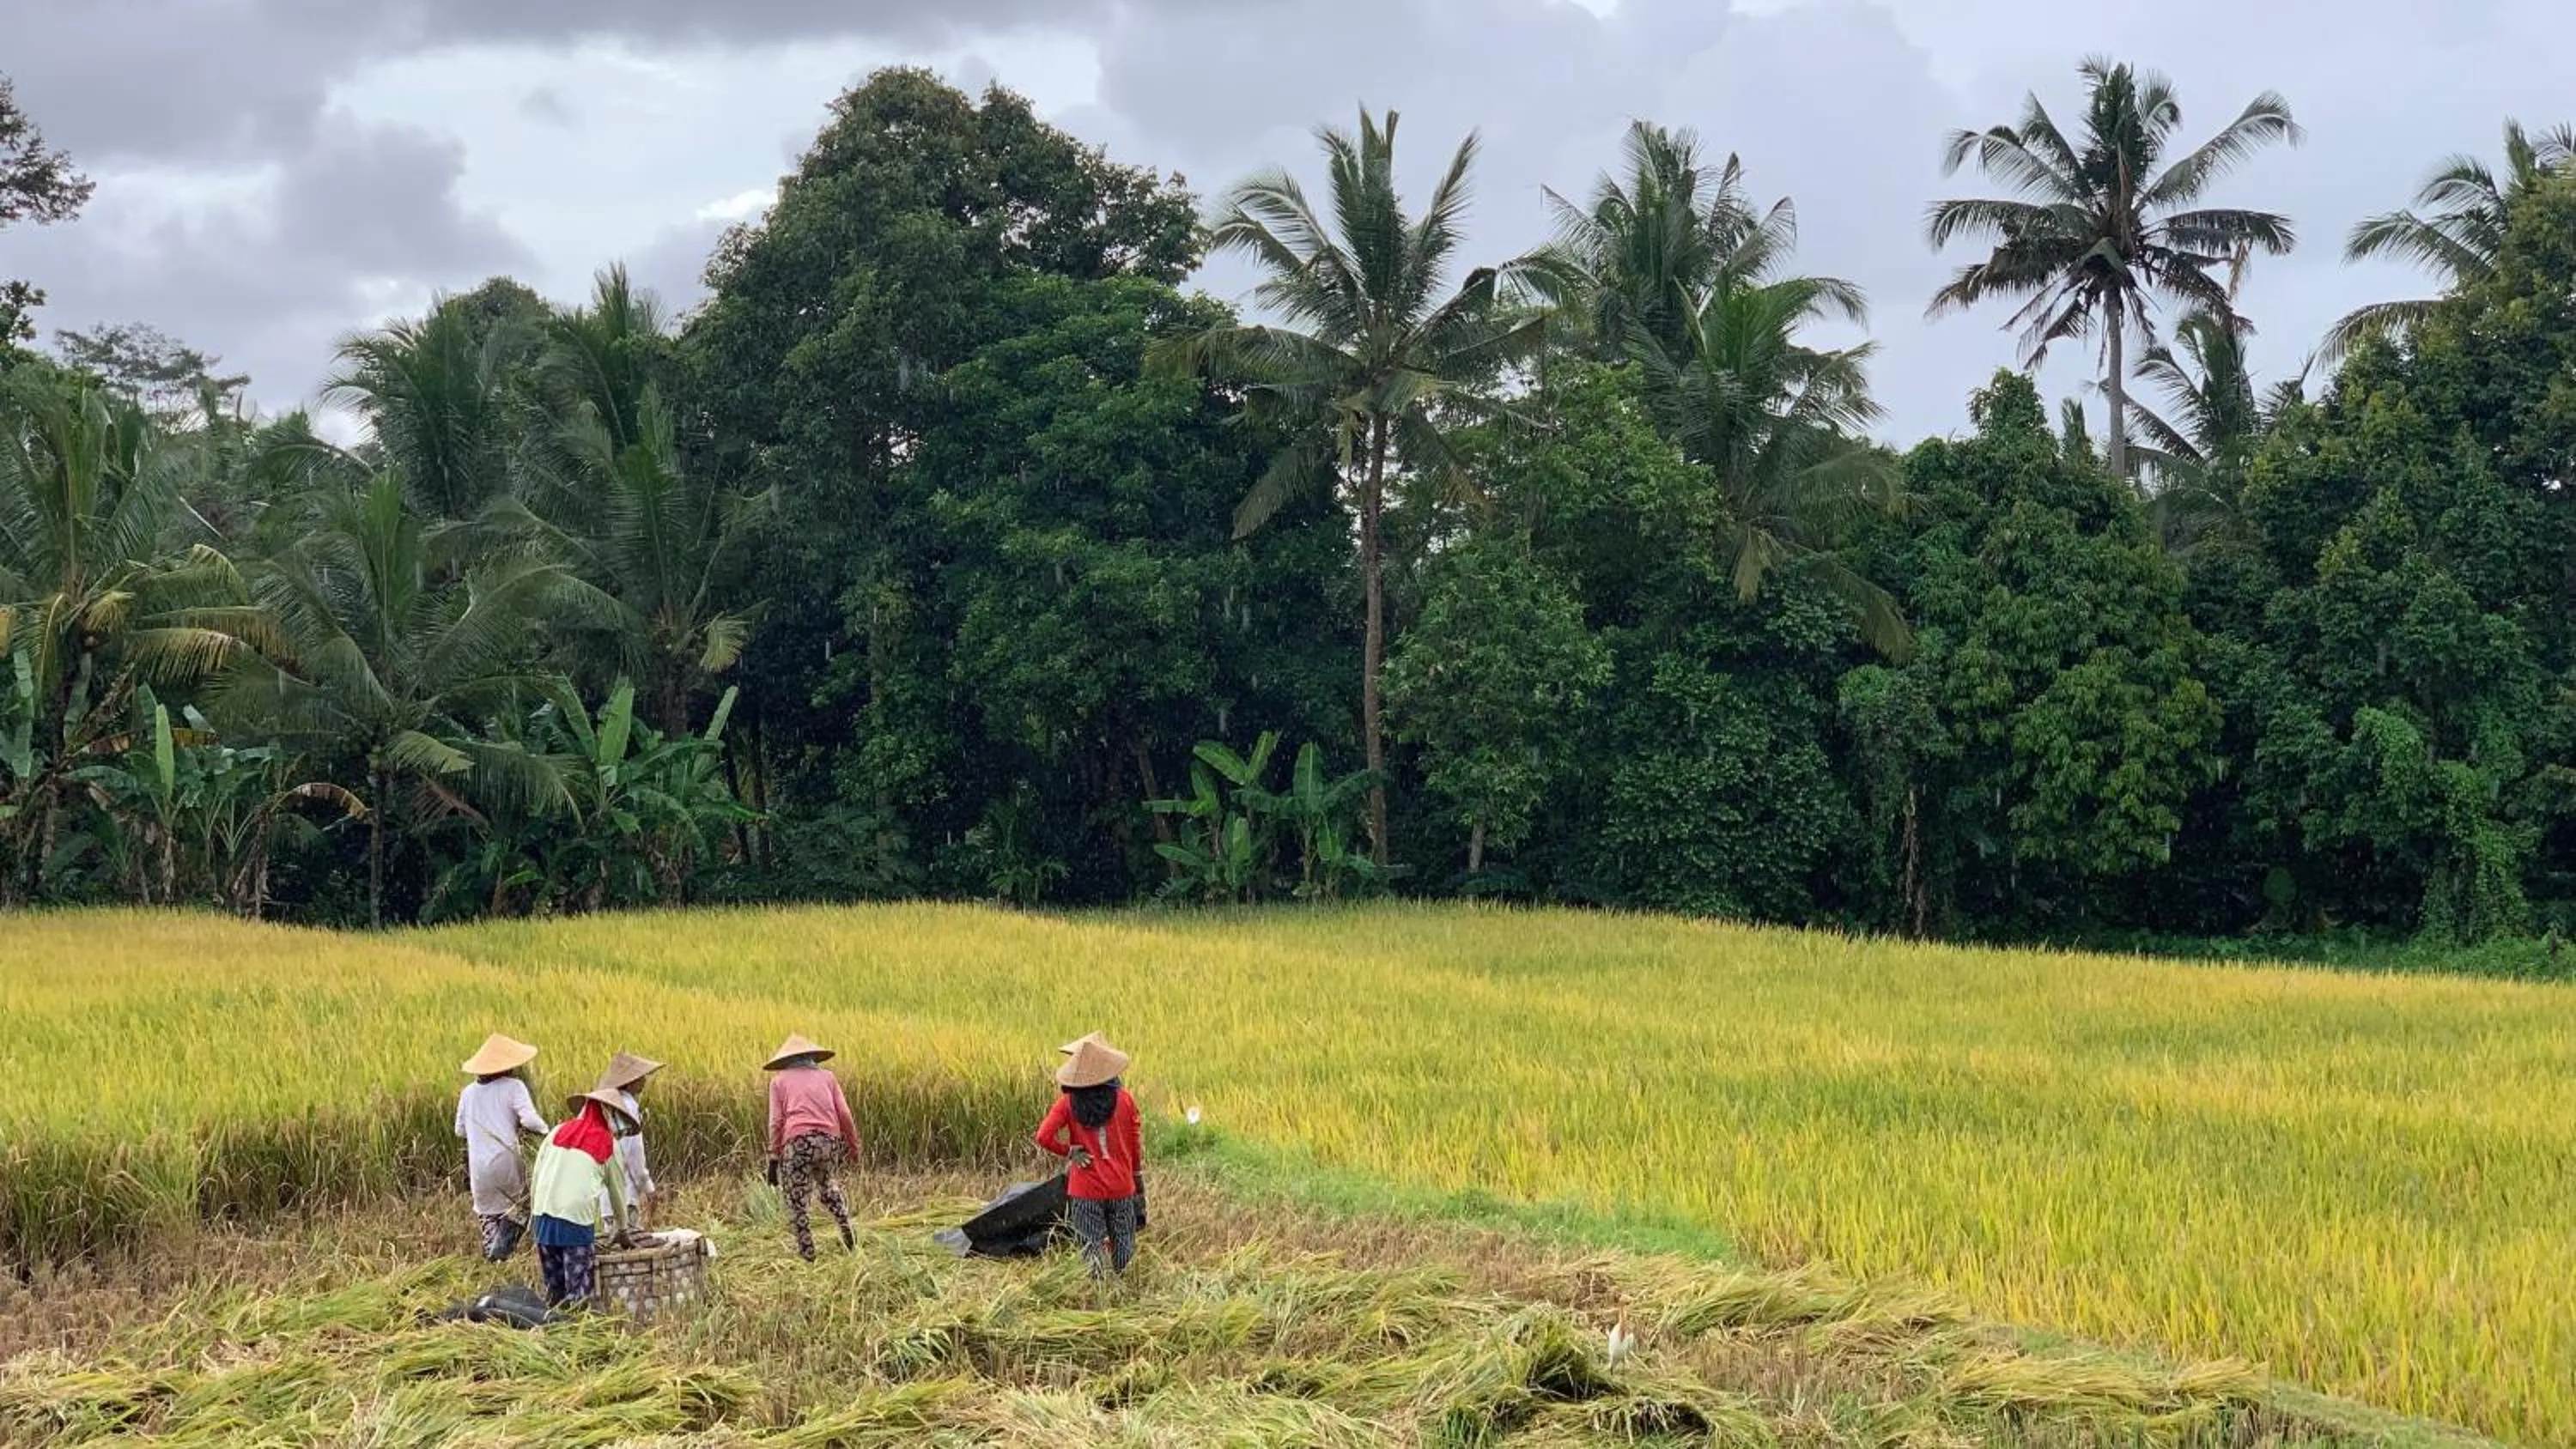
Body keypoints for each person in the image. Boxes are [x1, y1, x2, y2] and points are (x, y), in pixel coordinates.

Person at [1035, 1035, 1144, 1279]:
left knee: (1091, 1243)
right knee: (1124, 1239)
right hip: (1121, 1186)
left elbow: (1043, 1136)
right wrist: (1136, 1176)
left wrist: (1070, 1152)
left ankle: (1098, 1289)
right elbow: (1135, 1144)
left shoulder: (1067, 1104)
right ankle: (1123, 1284)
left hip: (1085, 1188)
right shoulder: (1125, 1100)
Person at [526, 1088, 638, 1308]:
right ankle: (575, 1333)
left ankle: (551, 1328)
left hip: (542, 1216)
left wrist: (533, 1215)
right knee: (579, 1293)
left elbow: (537, 1175)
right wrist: (623, 1228)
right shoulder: (607, 1143)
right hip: (574, 1221)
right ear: (608, 1114)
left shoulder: (557, 1131)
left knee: (553, 1290)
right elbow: (617, 1190)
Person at [763, 1034, 859, 1260]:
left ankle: (808, 1254)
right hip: (829, 1141)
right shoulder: (828, 1077)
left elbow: (776, 1122)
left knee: (797, 1199)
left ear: (786, 1061)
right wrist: (854, 1146)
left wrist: (774, 1157)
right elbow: (844, 1114)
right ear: (812, 1058)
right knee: (828, 1186)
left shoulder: (779, 1081)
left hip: (798, 1143)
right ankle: (847, 1228)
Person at [454, 1034, 548, 1261]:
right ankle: (505, 1252)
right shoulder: (514, 1086)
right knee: (520, 1209)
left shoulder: (468, 1093)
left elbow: (460, 1130)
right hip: (507, 1162)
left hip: (479, 1168)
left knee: (488, 1216)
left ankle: (494, 1259)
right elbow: (530, 1120)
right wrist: (548, 1132)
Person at [593, 1051, 663, 1229]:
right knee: (631, 1247)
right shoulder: (628, 1106)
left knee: (614, 1246)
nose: (645, 1080)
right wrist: (647, 1186)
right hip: (625, 1195)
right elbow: (634, 1154)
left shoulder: (605, 1105)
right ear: (631, 1082)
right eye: (641, 1077)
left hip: (607, 1198)